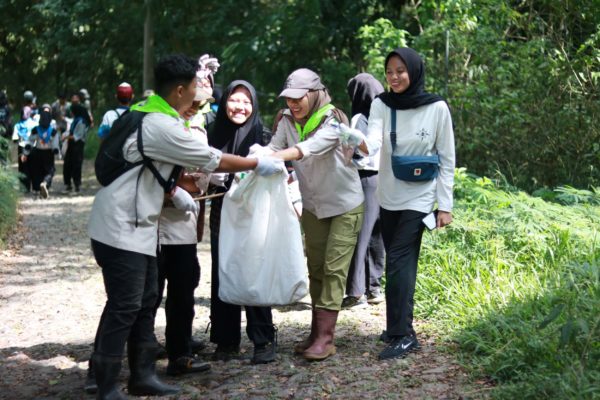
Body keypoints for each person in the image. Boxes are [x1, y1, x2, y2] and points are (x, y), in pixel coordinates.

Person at [86, 53, 284, 400]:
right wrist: (256, 163)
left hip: (139, 226)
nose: (200, 92)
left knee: (145, 300)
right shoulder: (160, 125)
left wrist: (171, 191)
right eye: (196, 86)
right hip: (120, 227)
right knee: (125, 305)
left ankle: (142, 375)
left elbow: (150, 165)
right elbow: (212, 158)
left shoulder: (154, 112)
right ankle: (104, 384)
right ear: (180, 90)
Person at [341, 47, 455, 360]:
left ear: (414, 71)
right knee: (396, 260)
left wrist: (445, 206)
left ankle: (405, 335)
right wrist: (355, 139)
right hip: (388, 194)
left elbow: (447, 158)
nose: (394, 77)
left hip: (420, 197)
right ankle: (395, 327)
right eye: (389, 71)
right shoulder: (381, 103)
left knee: (399, 262)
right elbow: (373, 141)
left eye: (400, 71)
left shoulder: (437, 107)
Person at [266, 68, 364, 361]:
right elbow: (274, 146)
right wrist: (257, 157)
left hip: (345, 205)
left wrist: (277, 156)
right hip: (313, 206)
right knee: (317, 268)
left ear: (314, 94)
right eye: (289, 99)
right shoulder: (286, 120)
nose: (293, 104)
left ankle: (326, 338)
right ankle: (315, 331)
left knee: (334, 269)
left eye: (299, 98)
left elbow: (310, 148)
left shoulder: (333, 120)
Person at [206, 80, 277, 364]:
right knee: (224, 268)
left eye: (247, 102)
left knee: (254, 269)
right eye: (235, 100)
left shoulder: (264, 134)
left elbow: (279, 170)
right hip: (221, 210)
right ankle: (226, 340)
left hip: (253, 212)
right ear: (224, 103)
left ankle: (263, 338)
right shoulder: (211, 133)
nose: (241, 107)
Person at [152, 86, 214, 376]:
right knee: (145, 293)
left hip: (184, 225)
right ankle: (137, 352)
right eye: (193, 101)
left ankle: (180, 352)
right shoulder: (158, 125)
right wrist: (177, 186)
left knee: (183, 289)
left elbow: (202, 175)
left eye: (199, 104)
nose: (194, 107)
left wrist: (186, 184)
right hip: (151, 223)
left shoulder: (197, 130)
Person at [341, 73, 386, 309]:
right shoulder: (386, 114)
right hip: (384, 178)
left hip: (365, 178)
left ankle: (355, 291)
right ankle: (374, 287)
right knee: (376, 233)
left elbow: (357, 153)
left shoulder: (359, 117)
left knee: (359, 233)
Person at [23, 104, 60, 199]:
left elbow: (29, 142)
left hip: (37, 152)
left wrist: (25, 153)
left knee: (38, 171)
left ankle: (37, 189)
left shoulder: (35, 130)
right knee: (49, 171)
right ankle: (45, 183)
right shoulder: (53, 132)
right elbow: (55, 145)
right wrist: (57, 153)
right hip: (48, 154)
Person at [63, 93, 91, 193]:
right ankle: (68, 185)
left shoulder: (81, 122)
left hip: (77, 145)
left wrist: (66, 137)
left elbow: (77, 136)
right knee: (68, 164)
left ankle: (77, 185)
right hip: (72, 145)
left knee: (76, 165)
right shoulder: (76, 120)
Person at [12, 107, 37, 192]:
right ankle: (35, 187)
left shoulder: (18, 125)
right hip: (33, 147)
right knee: (33, 166)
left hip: (22, 147)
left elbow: (14, 138)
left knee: (23, 168)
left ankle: (25, 188)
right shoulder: (35, 124)